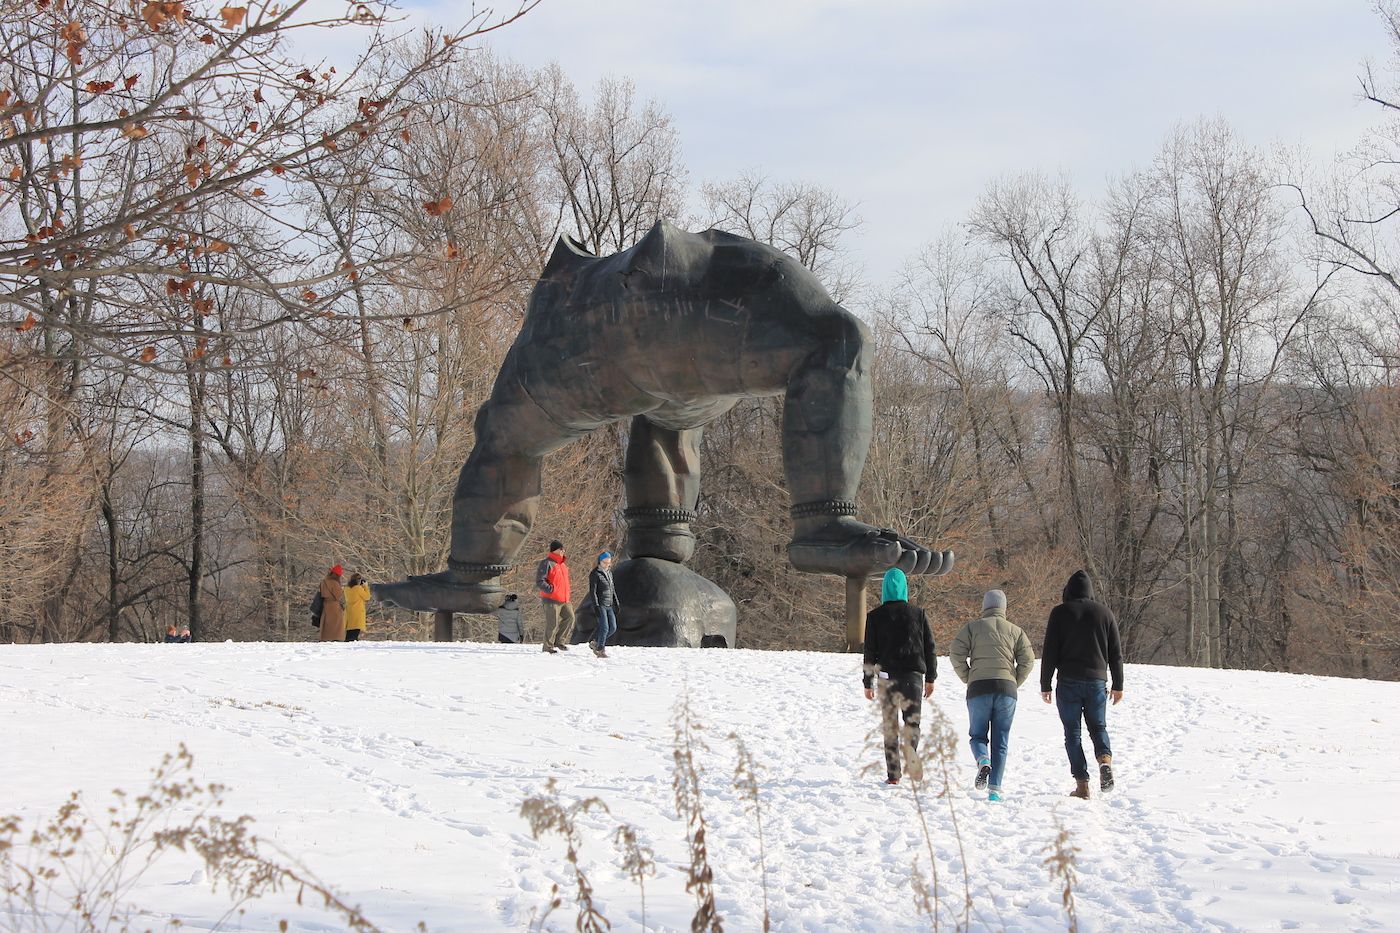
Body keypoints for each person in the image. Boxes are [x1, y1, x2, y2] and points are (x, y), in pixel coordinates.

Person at [1040, 570, 1125, 799]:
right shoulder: (1105, 613)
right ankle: (1104, 760)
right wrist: (1118, 684)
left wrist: (1045, 683)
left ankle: (1082, 785)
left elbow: (1050, 651)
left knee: (1072, 733)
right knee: (1098, 727)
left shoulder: (1060, 613)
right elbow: (1116, 654)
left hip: (1068, 681)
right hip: (1097, 681)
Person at [950, 589, 1034, 802]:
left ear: (984, 606)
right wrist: (1013, 681)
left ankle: (983, 760)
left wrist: (968, 676)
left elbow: (956, 652)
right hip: (1006, 690)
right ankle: (995, 791)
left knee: (978, 735)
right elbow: (1028, 660)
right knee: (1001, 740)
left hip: (978, 688)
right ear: (1004, 607)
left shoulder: (972, 628)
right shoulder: (1016, 631)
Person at [862, 567, 936, 785]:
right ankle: (911, 755)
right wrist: (931, 677)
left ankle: (893, 775)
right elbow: (930, 648)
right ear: (905, 588)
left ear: (884, 588)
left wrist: (868, 682)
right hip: (913, 677)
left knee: (890, 726)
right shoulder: (918, 614)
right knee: (912, 722)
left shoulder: (875, 616)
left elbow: (870, 652)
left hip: (887, 678)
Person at [535, 541, 573, 654]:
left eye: (563, 549)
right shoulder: (547, 563)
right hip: (551, 599)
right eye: (560, 549)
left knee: (570, 617)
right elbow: (540, 581)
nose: (563, 551)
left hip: (565, 599)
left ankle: (559, 641)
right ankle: (548, 647)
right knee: (552, 623)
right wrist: (551, 589)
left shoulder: (563, 565)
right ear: (554, 550)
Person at [587, 552, 620, 657]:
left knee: (613, 628)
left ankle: (595, 641)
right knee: (604, 628)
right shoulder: (595, 574)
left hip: (609, 604)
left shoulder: (609, 573)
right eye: (604, 562)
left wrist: (616, 602)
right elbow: (593, 591)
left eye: (608, 563)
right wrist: (596, 605)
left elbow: (612, 589)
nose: (606, 565)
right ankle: (600, 649)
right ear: (600, 562)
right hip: (600, 604)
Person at [318, 565, 347, 642]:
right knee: (336, 624)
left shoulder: (324, 581)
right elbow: (338, 595)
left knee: (326, 623)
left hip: (325, 604)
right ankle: (336, 637)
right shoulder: (334, 583)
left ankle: (325, 637)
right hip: (334, 606)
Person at [343, 572, 370, 642]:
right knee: (355, 631)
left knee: (350, 631)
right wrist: (365, 587)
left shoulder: (346, 589)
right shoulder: (358, 588)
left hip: (349, 612)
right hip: (357, 611)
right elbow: (367, 597)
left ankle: (349, 644)